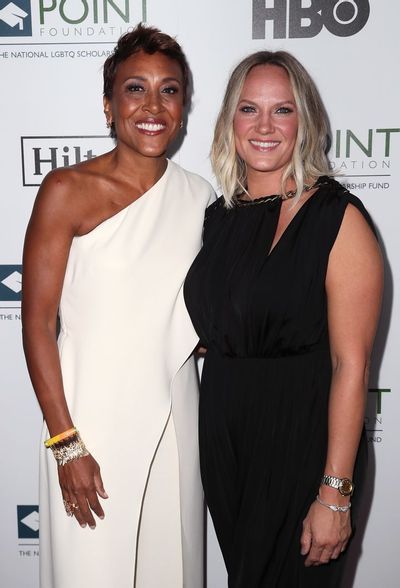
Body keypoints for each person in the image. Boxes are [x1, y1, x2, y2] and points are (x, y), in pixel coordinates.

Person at [22, 24, 214, 588]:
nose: (153, 106)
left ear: (184, 106)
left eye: (170, 90)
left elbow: (197, 313)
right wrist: (65, 443)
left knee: (172, 569)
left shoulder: (202, 198)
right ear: (109, 106)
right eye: (136, 89)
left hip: (177, 425)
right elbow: (37, 323)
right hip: (88, 429)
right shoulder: (66, 190)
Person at [184, 50, 383, 587]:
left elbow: (351, 365)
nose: (265, 126)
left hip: (302, 443)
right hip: (227, 443)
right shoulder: (217, 219)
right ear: (231, 120)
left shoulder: (338, 219)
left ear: (306, 121)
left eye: (283, 110)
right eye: (249, 109)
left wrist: (335, 494)